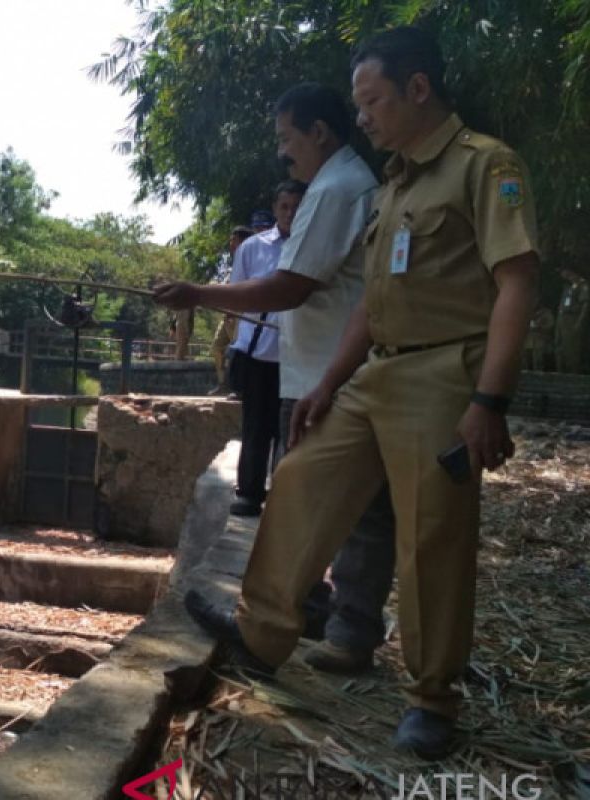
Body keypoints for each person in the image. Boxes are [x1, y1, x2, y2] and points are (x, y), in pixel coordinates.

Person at [181, 27, 541, 758]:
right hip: (377, 371)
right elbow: (370, 304)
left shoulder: (484, 165)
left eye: (372, 100)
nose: (365, 116)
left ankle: (430, 699)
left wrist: (489, 402)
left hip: (444, 375)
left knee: (431, 537)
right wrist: (331, 383)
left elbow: (517, 281)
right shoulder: (395, 184)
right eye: (358, 103)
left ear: (418, 89)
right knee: (303, 480)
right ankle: (261, 634)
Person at [155, 82, 397, 665]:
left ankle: (315, 626)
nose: (283, 153)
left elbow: (290, 286)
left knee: (318, 504)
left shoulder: (337, 188)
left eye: (287, 139)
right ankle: (318, 613)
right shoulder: (346, 184)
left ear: (318, 132)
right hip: (328, 367)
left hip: (325, 375)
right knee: (340, 504)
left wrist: (198, 292)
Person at [220, 184, 304, 516]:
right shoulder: (253, 248)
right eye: (284, 206)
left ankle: (284, 495)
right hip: (257, 352)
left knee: (291, 431)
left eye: (297, 207)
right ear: (275, 208)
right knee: (255, 426)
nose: (290, 213)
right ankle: (250, 493)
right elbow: (238, 294)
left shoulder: (310, 245)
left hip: (296, 354)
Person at [208, 226, 255, 394]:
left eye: (233, 240)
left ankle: (239, 388)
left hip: (241, 316)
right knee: (217, 348)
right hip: (228, 315)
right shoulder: (234, 261)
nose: (231, 244)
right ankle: (223, 384)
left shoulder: (252, 260)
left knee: (239, 351)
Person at [555, 268, 588, 373]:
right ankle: (560, 372)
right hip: (562, 319)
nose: (563, 275)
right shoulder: (568, 286)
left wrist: (579, 322)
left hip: (572, 319)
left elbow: (585, 305)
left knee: (572, 348)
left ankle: (573, 373)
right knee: (560, 346)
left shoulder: (583, 285)